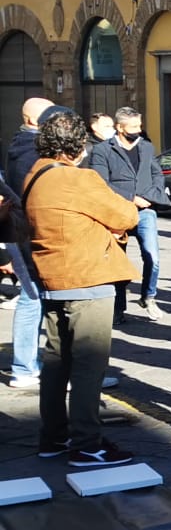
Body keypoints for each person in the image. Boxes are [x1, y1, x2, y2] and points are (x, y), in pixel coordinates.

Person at [21, 108, 140, 468]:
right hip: (87, 277)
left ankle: (53, 437)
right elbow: (127, 215)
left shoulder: (35, 174)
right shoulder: (79, 179)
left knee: (57, 362)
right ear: (78, 147)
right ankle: (87, 444)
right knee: (89, 365)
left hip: (53, 277)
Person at [86, 107, 167, 323]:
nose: (138, 130)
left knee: (153, 257)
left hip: (145, 211)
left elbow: (157, 173)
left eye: (139, 126)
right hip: (116, 211)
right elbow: (100, 182)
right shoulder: (103, 150)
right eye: (133, 127)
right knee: (117, 261)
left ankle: (148, 296)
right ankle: (117, 308)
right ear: (120, 128)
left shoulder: (147, 147)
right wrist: (132, 197)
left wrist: (153, 195)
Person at [4, 96, 52, 390]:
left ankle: (28, 365)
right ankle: (23, 368)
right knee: (32, 297)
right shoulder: (29, 148)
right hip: (26, 233)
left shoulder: (21, 143)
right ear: (34, 121)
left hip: (22, 232)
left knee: (34, 297)